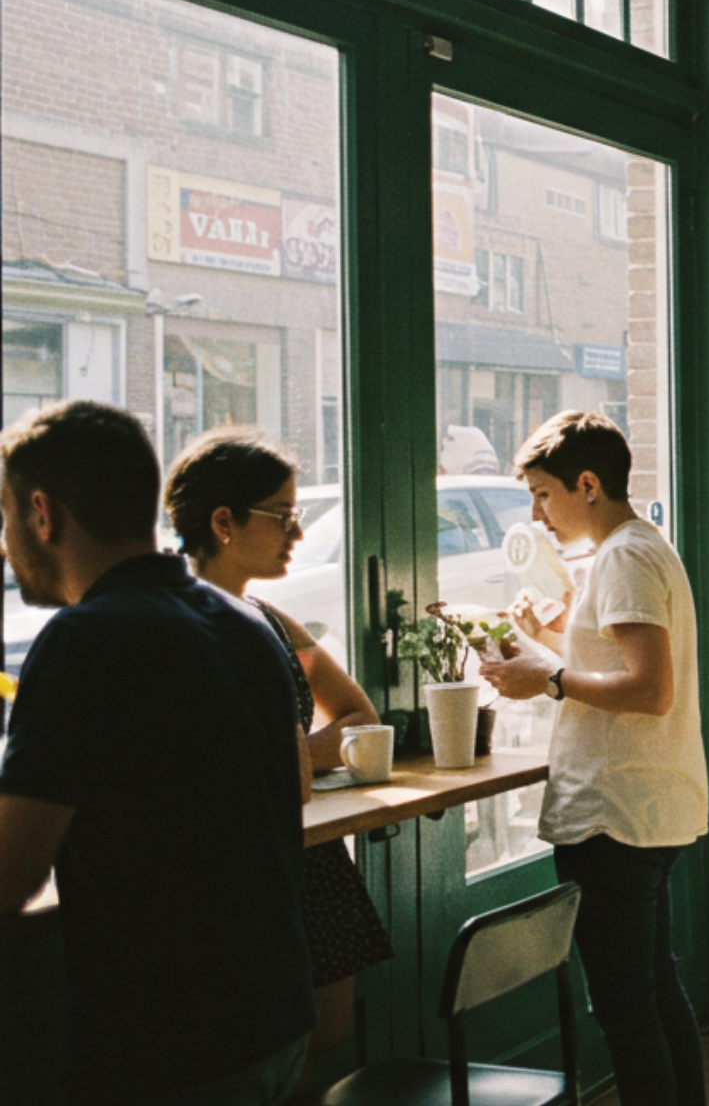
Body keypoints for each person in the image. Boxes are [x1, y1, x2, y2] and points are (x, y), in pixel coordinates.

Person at [0, 402, 315, 1106]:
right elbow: (288, 787)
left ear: (43, 514)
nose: (4, 542)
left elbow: (10, 875)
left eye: (5, 515)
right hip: (276, 1019)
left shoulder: (84, 640)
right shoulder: (245, 624)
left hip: (172, 1050)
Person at [480, 411, 708, 1106]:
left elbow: (649, 687)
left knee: (626, 1008)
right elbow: (619, 657)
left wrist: (544, 678)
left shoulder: (623, 557)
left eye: (543, 495)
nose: (537, 513)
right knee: (652, 990)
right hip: (643, 807)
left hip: (615, 814)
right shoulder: (640, 547)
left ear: (587, 484)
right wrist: (552, 632)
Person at [164, 428, 395, 1099]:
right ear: (223, 523)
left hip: (309, 857)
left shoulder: (273, 621)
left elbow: (358, 714)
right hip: (245, 865)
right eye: (283, 516)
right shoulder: (179, 622)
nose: (298, 531)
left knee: (321, 1033)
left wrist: (290, 754)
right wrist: (283, 758)